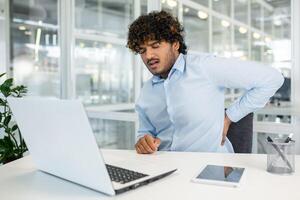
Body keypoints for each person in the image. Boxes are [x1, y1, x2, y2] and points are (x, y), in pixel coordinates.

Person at [126, 10, 284, 154]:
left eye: (155, 46)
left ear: (175, 44)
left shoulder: (204, 67)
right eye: (142, 50)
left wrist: (229, 117)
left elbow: (272, 78)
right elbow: (145, 132)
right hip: (163, 167)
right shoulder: (147, 91)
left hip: (207, 166)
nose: (148, 56)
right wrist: (144, 141)